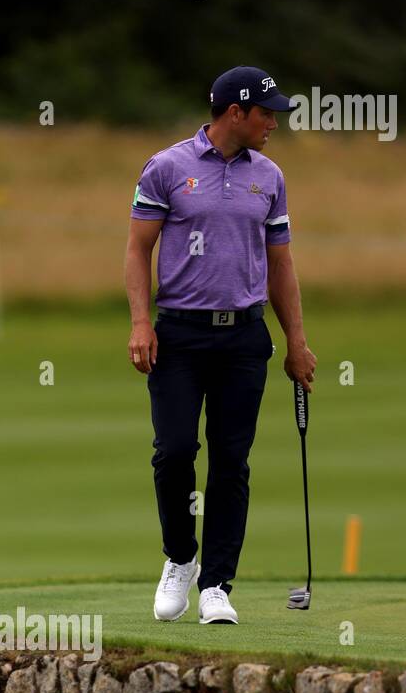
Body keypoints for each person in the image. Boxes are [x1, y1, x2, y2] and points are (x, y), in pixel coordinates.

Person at [125, 65, 317, 624]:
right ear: (236, 112)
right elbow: (138, 250)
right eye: (267, 113)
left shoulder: (270, 177)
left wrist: (296, 342)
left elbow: (281, 264)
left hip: (244, 335)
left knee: (232, 460)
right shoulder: (167, 168)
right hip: (180, 334)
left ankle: (216, 585)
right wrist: (141, 323)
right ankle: (180, 558)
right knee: (176, 450)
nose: (273, 123)